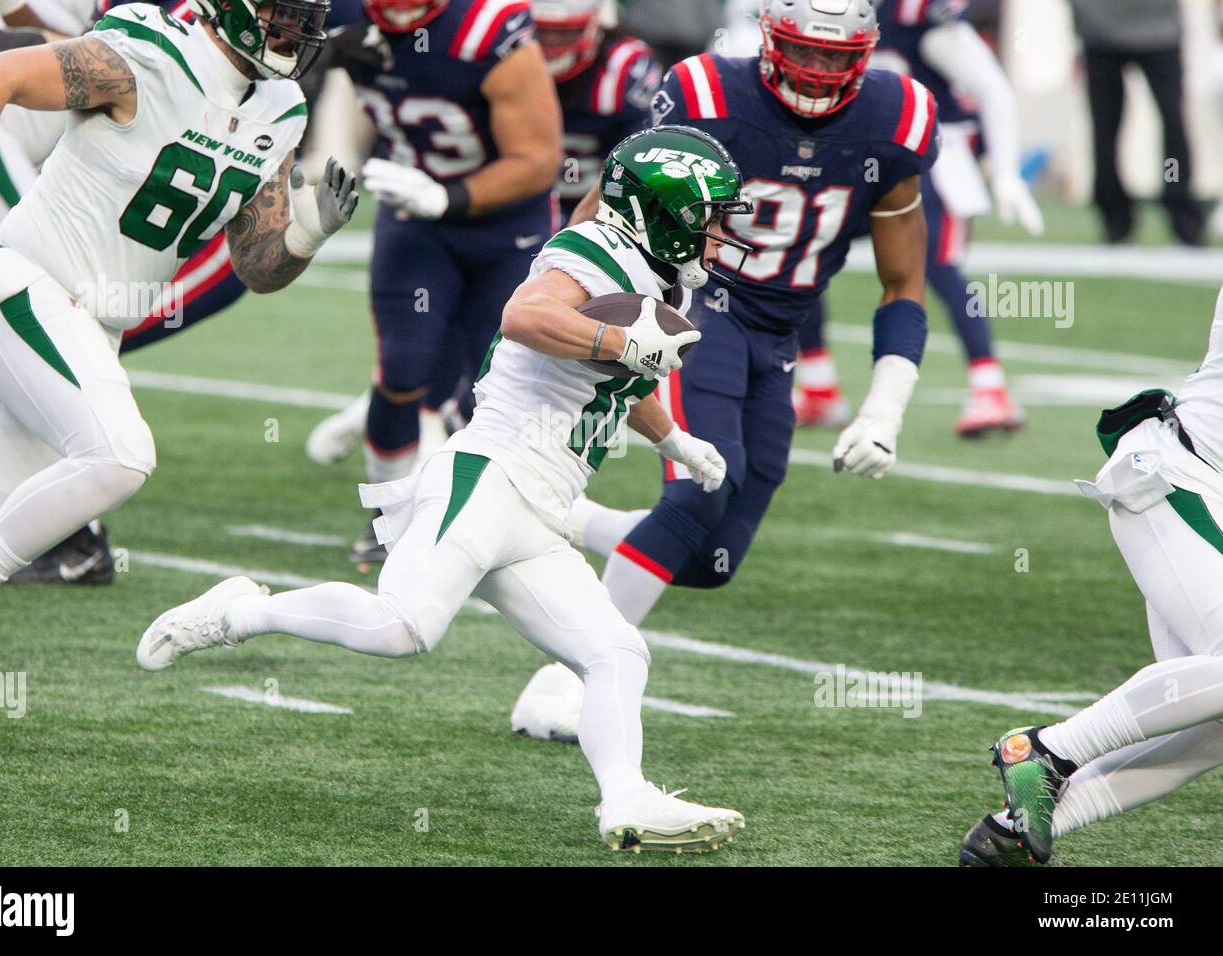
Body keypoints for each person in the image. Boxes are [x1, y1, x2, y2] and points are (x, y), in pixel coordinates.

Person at [136, 125, 753, 853]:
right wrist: (621, 343)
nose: (720, 234)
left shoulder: (654, 277)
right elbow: (524, 316)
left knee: (619, 652)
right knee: (402, 628)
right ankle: (241, 611)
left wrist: (674, 440)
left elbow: (617, 384)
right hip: (491, 474)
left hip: (543, 510)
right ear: (663, 211)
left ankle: (627, 799)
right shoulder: (592, 249)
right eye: (710, 217)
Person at [511, 0, 940, 740]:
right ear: (769, 38)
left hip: (779, 333)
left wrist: (884, 409)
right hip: (694, 310)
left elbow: (903, 284)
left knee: (709, 558)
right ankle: (567, 678)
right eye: (807, 51)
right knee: (703, 489)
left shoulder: (896, 116)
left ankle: (559, 520)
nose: (820, 71)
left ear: (868, 54)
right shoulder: (707, 93)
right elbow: (615, 196)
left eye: (839, 57)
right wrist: (563, 294)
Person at [0, 0, 359, 718]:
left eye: (305, 18)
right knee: (120, 457)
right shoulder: (150, 55)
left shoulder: (280, 106)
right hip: (32, 281)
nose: (297, 33)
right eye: (281, 15)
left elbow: (257, 265)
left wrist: (307, 238)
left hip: (96, 322)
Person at [961, 284, 1223, 866]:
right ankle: (1045, 752)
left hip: (1203, 496)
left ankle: (1010, 839)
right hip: (1179, 478)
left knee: (1215, 720)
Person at [304, 0, 563, 563]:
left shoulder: (484, 31)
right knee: (402, 367)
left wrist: (448, 196)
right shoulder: (339, 12)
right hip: (412, 216)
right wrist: (320, 50)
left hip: (504, 229)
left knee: (496, 385)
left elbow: (539, 159)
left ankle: (479, 521)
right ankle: (391, 522)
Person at [794, 0, 1043, 437]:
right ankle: (818, 386)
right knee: (802, 246)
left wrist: (1005, 172)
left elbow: (992, 87)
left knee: (939, 268)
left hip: (931, 158)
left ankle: (991, 389)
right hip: (862, 152)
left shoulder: (920, 12)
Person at [1070, 0, 1204, 246]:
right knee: (1106, 132)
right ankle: (1115, 217)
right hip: (1101, 30)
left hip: (1158, 30)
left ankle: (1178, 206)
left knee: (1172, 126)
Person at [532, 0, 660, 225]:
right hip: (523, 202)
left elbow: (638, 164)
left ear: (597, 24)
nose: (550, 45)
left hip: (603, 206)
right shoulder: (500, 57)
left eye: (564, 33)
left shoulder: (622, 69)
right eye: (541, 32)